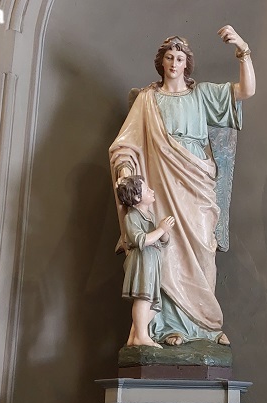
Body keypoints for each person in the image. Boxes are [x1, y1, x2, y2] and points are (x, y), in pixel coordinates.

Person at [109, 26, 255, 346]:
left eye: (180, 58)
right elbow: (125, 146)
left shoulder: (201, 95)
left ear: (187, 64)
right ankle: (167, 327)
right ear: (161, 63)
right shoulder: (148, 100)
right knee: (167, 251)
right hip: (160, 181)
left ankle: (205, 326)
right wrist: (124, 171)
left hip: (197, 180)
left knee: (204, 248)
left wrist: (243, 50)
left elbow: (245, 91)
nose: (174, 63)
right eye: (169, 58)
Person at [116, 175, 176, 347]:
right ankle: (142, 336)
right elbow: (140, 240)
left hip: (152, 262)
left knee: (153, 301)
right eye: (147, 189)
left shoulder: (148, 215)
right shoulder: (132, 217)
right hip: (142, 261)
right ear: (136, 197)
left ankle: (134, 335)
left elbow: (162, 241)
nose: (152, 191)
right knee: (144, 298)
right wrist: (160, 229)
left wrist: (163, 231)